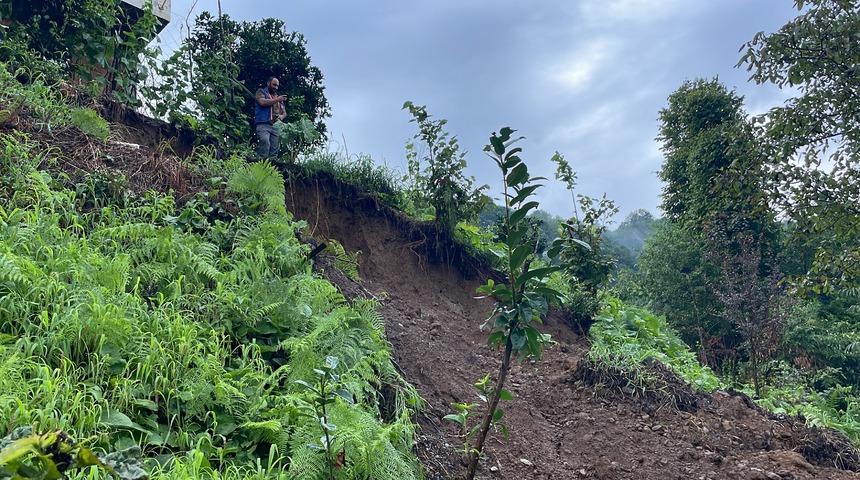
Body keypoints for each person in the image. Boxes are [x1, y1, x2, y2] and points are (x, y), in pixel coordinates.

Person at [254, 76, 286, 159]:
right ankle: (260, 165)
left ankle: (272, 168)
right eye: (274, 85)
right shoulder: (261, 92)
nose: (276, 87)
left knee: (274, 149)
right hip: (263, 123)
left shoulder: (278, 97)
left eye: (277, 86)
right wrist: (277, 100)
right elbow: (262, 102)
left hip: (276, 126)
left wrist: (281, 117)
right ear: (268, 83)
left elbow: (284, 113)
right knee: (265, 142)